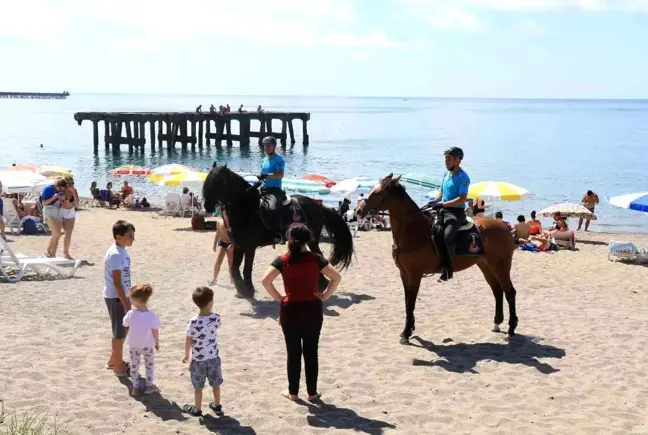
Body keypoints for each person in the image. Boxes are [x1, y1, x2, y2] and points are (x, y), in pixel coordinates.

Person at [261, 223, 342, 402]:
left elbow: (265, 280)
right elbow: (336, 277)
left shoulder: (282, 260)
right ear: (308, 239)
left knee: (293, 353)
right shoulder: (316, 259)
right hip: (312, 309)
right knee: (311, 352)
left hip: (291, 310)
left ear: (289, 239)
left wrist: (280, 298)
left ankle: (293, 393)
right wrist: (325, 295)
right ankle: (312, 393)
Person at [429, 147, 470, 281]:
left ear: (457, 160)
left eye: (449, 159)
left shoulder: (463, 177)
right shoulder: (446, 175)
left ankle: (449, 268)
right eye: (445, 159)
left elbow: (462, 198)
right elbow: (441, 192)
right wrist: (434, 201)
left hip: (456, 213)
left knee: (447, 237)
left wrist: (443, 204)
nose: (446, 161)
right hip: (443, 209)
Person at [182, 287, 224, 417]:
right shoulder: (216, 318)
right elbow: (216, 327)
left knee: (198, 387)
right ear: (211, 303)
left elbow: (188, 339)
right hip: (213, 357)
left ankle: (198, 409)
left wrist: (187, 354)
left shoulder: (193, 321)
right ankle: (217, 406)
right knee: (216, 384)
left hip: (198, 360)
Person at [104, 220, 135, 377]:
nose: (132, 239)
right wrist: (126, 303)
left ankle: (113, 360)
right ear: (118, 237)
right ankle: (118, 366)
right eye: (129, 236)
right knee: (119, 334)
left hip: (123, 296)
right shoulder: (115, 254)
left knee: (124, 330)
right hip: (116, 297)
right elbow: (117, 282)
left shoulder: (123, 250)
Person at [122, 283, 160, 396]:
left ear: (137, 300)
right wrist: (157, 343)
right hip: (148, 345)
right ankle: (149, 386)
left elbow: (125, 325)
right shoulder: (151, 315)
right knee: (149, 365)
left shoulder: (130, 314)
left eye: (131, 299)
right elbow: (155, 331)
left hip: (133, 345)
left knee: (134, 366)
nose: (130, 301)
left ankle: (135, 387)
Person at [258, 136, 286, 241]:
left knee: (272, 208)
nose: (266, 147)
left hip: (275, 191)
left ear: (274, 146)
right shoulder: (264, 160)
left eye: (269, 145)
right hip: (263, 189)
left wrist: (266, 175)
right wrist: (259, 179)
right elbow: (262, 175)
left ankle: (278, 233)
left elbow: (280, 174)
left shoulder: (279, 160)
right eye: (265, 145)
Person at [41, 178, 68, 257]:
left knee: (56, 235)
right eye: (60, 188)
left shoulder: (61, 190)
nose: (61, 190)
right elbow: (44, 203)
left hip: (59, 211)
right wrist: (54, 197)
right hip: (49, 211)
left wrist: (62, 198)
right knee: (57, 233)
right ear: (57, 185)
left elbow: (63, 200)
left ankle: (53, 254)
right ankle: (48, 250)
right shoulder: (48, 189)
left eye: (62, 189)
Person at [209, 212, 234, 285]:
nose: (226, 215)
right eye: (224, 213)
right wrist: (214, 244)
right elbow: (217, 234)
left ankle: (231, 279)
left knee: (231, 263)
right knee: (218, 260)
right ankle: (214, 279)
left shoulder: (233, 222)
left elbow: (237, 235)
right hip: (222, 243)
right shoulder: (219, 222)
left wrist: (233, 244)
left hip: (231, 243)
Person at [60, 176, 78, 260]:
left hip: (71, 211)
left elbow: (77, 203)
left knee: (69, 233)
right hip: (63, 211)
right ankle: (64, 252)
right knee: (66, 232)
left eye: (73, 183)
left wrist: (73, 192)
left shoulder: (74, 190)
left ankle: (66, 252)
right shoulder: (62, 191)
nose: (71, 185)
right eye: (69, 183)